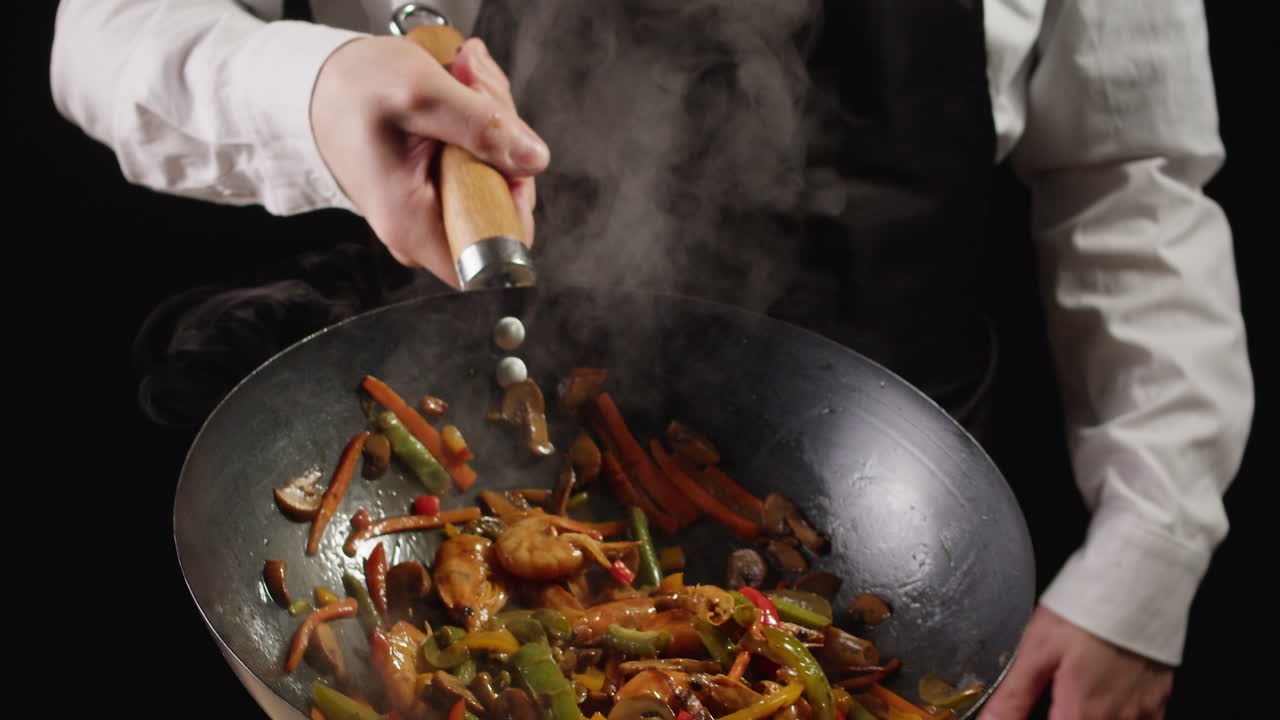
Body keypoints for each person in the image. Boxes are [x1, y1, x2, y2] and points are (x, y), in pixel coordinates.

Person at [50, 1, 1253, 719]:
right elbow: (100, 34)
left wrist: (1148, 553)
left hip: (873, 476)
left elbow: (1129, 168)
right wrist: (307, 86)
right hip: (467, 384)